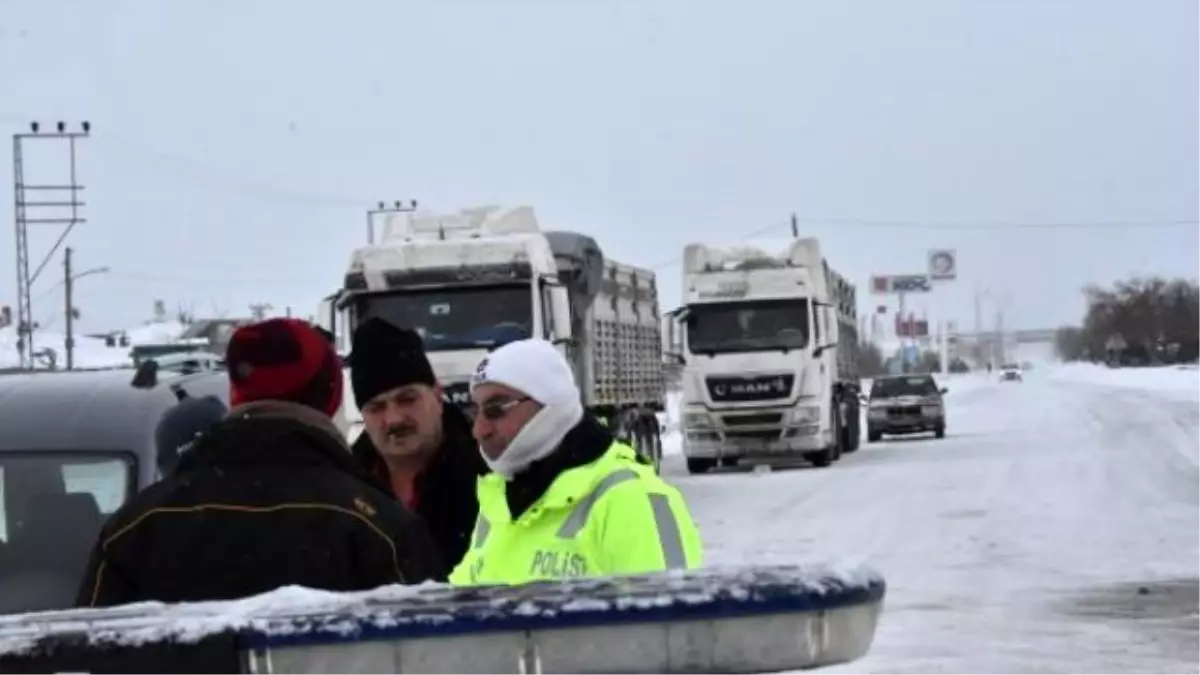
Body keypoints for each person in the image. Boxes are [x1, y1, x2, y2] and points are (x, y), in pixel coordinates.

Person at [75, 318, 444, 608]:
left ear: (235, 395)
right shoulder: (375, 523)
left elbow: (84, 656)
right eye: (377, 406)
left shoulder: (136, 526)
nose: (393, 419)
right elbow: (439, 654)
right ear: (331, 396)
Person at [450, 338, 703, 585]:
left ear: (550, 405)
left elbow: (673, 623)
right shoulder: (497, 499)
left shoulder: (632, 498)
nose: (479, 430)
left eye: (497, 410)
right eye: (476, 412)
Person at [349, 317, 488, 579]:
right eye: (376, 407)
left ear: (437, 395)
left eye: (407, 399)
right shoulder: (348, 486)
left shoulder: (488, 471)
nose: (394, 419)